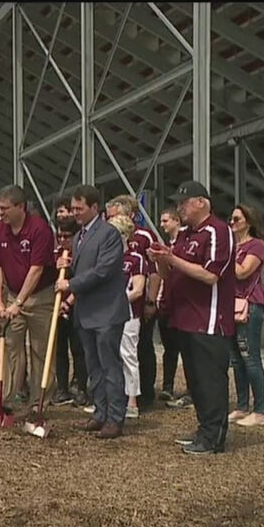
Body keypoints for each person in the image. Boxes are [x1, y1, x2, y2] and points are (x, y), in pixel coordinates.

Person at [149, 180, 236, 455]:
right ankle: (204, 428)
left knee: (210, 380)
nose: (180, 208)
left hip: (209, 319)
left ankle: (214, 437)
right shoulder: (185, 234)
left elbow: (211, 275)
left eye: (184, 202)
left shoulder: (218, 231)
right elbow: (169, 274)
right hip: (184, 317)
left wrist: (173, 259)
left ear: (202, 202)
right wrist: (162, 259)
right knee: (195, 380)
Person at [56, 184, 130, 439]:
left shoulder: (109, 234)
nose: (74, 213)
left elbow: (103, 270)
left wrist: (71, 284)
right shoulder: (78, 237)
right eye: (73, 208)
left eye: (79, 208)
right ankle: (100, 413)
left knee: (110, 367)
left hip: (107, 312)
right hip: (86, 313)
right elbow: (84, 270)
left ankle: (115, 418)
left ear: (94, 208)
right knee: (93, 367)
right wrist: (67, 268)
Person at [0, 185, 57, 416]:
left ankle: (39, 402)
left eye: (4, 208)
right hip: (12, 294)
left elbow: (36, 270)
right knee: (8, 347)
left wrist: (20, 303)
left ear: (20, 207)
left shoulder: (39, 229)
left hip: (41, 297)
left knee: (41, 350)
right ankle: (4, 399)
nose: (0, 213)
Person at [107, 195, 159, 410]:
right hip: (112, 312)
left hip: (134, 309)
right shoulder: (109, 254)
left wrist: (151, 300)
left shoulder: (144, 238)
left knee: (140, 349)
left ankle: (141, 396)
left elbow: (154, 271)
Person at [227, 204, 264, 427]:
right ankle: (243, 406)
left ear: (249, 222)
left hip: (250, 303)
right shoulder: (234, 246)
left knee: (250, 357)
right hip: (231, 304)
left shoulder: (257, 245)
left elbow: (243, 271)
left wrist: (227, 256)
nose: (232, 223)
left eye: (237, 219)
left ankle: (260, 410)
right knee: (236, 359)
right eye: (231, 220)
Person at [108, 214, 148, 419]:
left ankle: (132, 400)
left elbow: (138, 290)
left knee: (128, 355)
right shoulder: (107, 258)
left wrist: (117, 300)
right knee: (109, 355)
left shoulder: (136, 259)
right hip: (107, 314)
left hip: (128, 315)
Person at [53, 219, 88, 407]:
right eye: (59, 236)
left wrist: (69, 301)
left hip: (77, 306)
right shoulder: (57, 254)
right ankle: (62, 388)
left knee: (78, 349)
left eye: (66, 236)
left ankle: (81, 387)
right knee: (60, 350)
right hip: (58, 307)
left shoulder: (82, 254)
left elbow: (84, 280)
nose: (62, 240)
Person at [157, 208, 185, 405]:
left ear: (176, 220)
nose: (162, 225)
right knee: (170, 348)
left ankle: (193, 390)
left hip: (182, 304)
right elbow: (163, 275)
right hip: (167, 303)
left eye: (165, 221)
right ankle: (167, 386)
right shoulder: (168, 246)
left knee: (187, 348)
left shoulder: (186, 243)